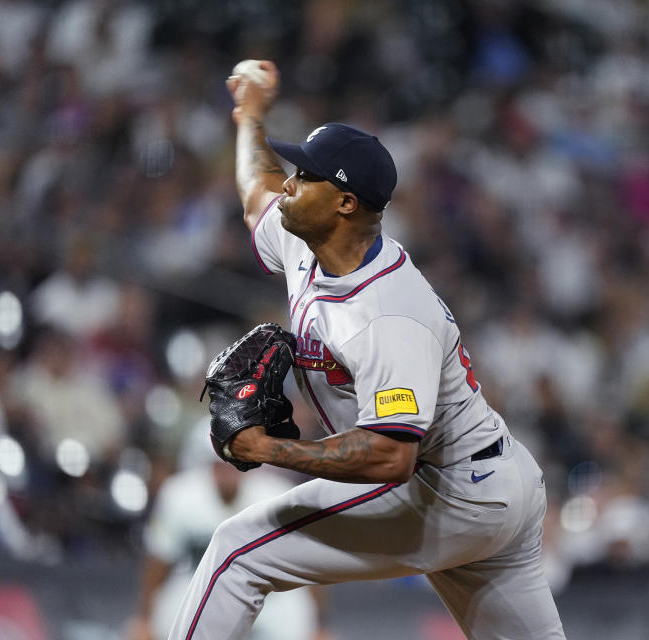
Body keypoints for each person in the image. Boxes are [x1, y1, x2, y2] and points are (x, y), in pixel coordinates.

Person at [168, 60, 565, 639]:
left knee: (237, 551)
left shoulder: (389, 315)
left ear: (345, 203)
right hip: (492, 483)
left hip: (452, 489)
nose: (288, 183)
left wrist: (272, 450)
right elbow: (256, 191)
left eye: (304, 176)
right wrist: (250, 115)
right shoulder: (308, 243)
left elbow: (389, 457)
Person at [126, 437, 324, 640]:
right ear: (206, 465)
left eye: (234, 462)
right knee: (168, 623)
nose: (227, 471)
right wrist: (144, 619)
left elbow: (306, 561)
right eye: (220, 464)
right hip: (200, 587)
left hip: (269, 596)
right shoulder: (180, 495)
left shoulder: (277, 495)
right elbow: (159, 561)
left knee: (295, 625)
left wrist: (320, 625)